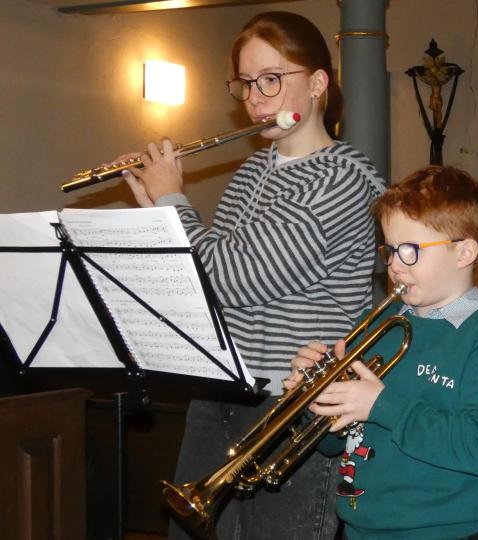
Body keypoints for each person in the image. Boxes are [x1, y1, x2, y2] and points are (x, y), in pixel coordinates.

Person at [118, 11, 385, 539]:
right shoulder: (249, 175)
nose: (255, 98)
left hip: (293, 412)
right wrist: (157, 212)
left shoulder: (345, 180)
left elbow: (233, 276)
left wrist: (173, 200)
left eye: (271, 79)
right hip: (222, 393)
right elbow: (205, 285)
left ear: (316, 83)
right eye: (245, 83)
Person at [286, 165, 478, 540]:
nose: (395, 265)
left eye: (411, 250)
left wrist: (381, 405)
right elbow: (332, 443)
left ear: (464, 252)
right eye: (390, 250)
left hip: (438, 532)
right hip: (357, 526)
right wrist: (312, 400)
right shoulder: (374, 323)